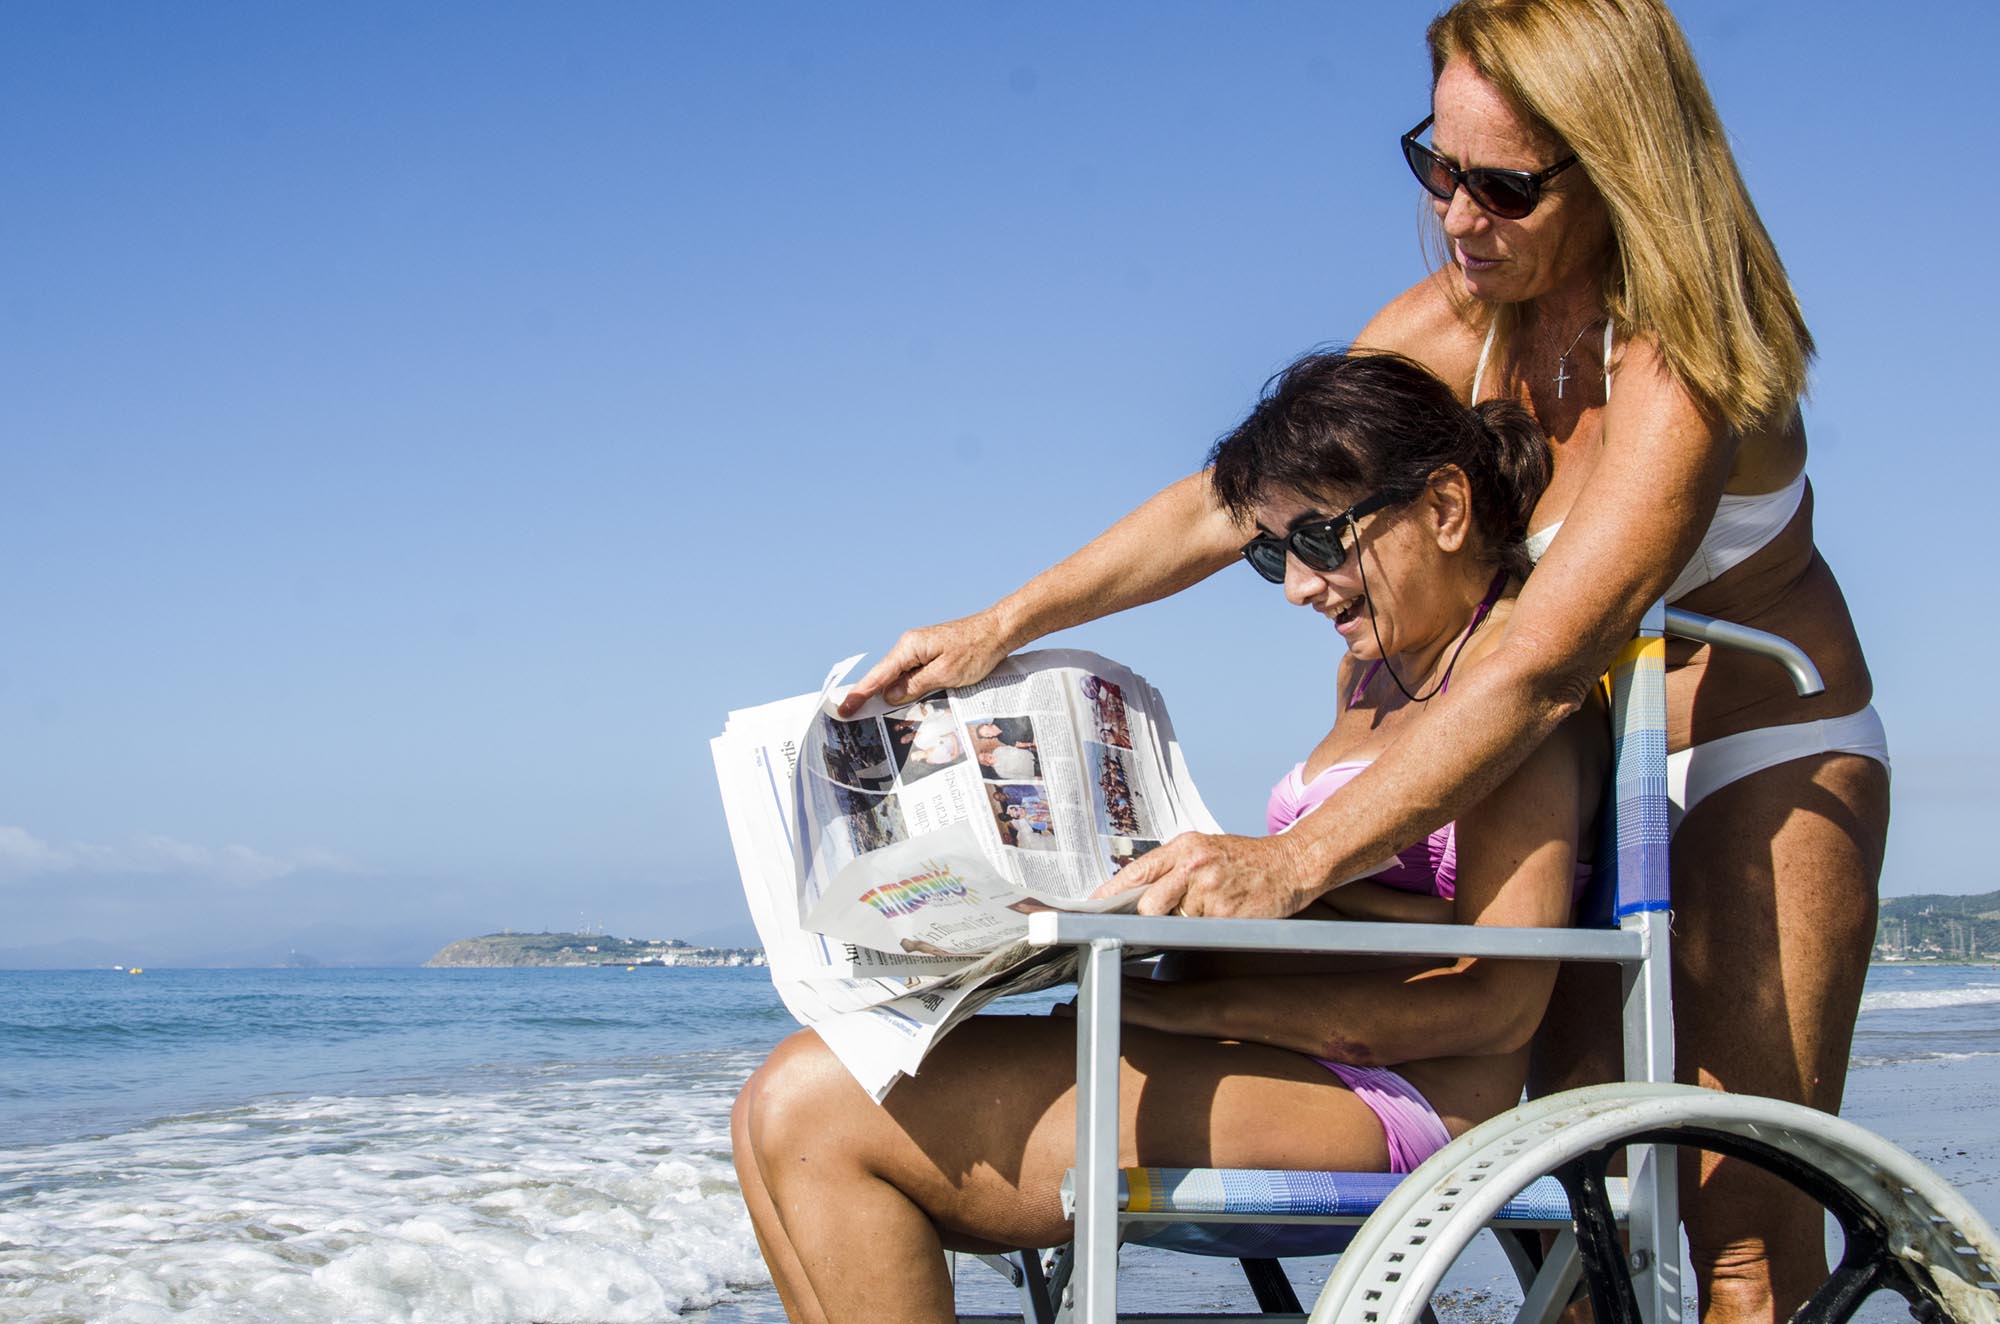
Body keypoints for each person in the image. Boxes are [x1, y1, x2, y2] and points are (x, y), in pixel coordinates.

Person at [835, 4, 1889, 1319]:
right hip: (1553, 775)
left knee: (1736, 1216)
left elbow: (1538, 666)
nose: (1457, 217)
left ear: (1619, 162)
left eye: (1501, 185)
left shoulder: (1679, 370)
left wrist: (1285, 865)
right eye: (1434, 166)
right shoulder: (1468, 310)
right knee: (1578, 1196)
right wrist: (1004, 623)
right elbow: (1237, 502)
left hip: (1742, 745)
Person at [733, 351, 1605, 1323]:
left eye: (1318, 538)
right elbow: (1372, 903)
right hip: (1275, 1050)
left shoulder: (1512, 691)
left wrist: (1176, 1012)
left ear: (1443, 507)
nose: (1296, 588)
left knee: (819, 1109)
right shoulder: (1373, 671)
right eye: (1275, 554)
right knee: (774, 1107)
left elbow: (1492, 1003)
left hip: (1401, 1099)